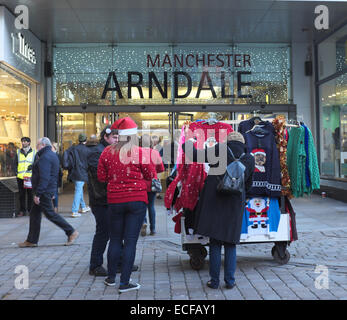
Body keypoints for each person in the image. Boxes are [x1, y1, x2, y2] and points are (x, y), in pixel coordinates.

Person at [182, 130, 255, 290]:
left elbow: (193, 155)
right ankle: (230, 281)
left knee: (215, 243)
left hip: (215, 202)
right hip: (235, 205)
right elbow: (249, 185)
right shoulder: (249, 159)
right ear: (243, 144)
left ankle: (214, 281)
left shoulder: (219, 150)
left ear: (227, 142)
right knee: (230, 244)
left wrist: (188, 140)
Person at [98, 117, 157, 292]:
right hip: (136, 201)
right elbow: (151, 174)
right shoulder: (140, 153)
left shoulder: (107, 152)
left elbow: (101, 177)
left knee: (115, 239)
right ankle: (124, 282)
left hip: (115, 200)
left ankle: (110, 278)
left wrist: (116, 181)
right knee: (130, 241)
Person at [87, 126, 140, 277]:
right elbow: (100, 177)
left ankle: (119, 262)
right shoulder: (97, 152)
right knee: (103, 232)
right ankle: (95, 265)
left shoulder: (113, 151)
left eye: (119, 138)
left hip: (111, 198)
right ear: (106, 137)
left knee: (117, 231)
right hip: (101, 200)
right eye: (115, 138)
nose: (117, 140)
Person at [18, 137, 79, 248]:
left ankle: (71, 231)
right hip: (47, 189)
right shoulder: (51, 155)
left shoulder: (45, 157)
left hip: (43, 191)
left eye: (38, 145)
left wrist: (38, 194)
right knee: (35, 214)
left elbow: (45, 177)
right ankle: (31, 240)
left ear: (43, 145)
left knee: (50, 214)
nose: (36, 147)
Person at [139, 134, 165, 236]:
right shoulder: (155, 153)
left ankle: (143, 222)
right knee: (151, 206)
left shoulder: (137, 153)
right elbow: (161, 168)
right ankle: (153, 229)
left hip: (140, 183)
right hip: (152, 183)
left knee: (142, 206)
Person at [63, 133, 90, 217]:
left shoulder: (73, 148)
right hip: (81, 172)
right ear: (86, 140)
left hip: (73, 172)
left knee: (79, 189)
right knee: (78, 191)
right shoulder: (87, 149)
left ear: (79, 140)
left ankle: (83, 207)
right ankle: (74, 211)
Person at [15, 137, 36, 217]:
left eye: (25, 141)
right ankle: (22, 210)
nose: (23, 143)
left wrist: (33, 166)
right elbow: (15, 163)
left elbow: (37, 163)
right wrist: (16, 172)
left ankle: (30, 210)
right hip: (20, 177)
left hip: (30, 177)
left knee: (30, 194)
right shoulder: (18, 152)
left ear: (29, 143)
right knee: (21, 195)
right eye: (22, 142)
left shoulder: (34, 152)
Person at [51, 142, 63, 213]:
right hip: (50, 176)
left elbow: (60, 166)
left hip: (56, 176)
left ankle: (55, 207)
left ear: (54, 148)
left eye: (51, 147)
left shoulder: (58, 155)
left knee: (54, 192)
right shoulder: (49, 154)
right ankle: (53, 207)